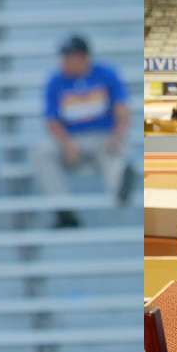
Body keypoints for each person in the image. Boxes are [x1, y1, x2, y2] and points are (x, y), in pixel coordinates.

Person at [34, 35, 132, 227]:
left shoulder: (106, 74)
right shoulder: (55, 81)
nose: (63, 62)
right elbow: (51, 120)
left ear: (82, 57)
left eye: (68, 57)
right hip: (72, 139)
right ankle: (64, 209)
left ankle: (120, 190)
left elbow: (122, 109)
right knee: (42, 153)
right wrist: (66, 144)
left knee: (115, 152)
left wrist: (117, 136)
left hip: (103, 137)